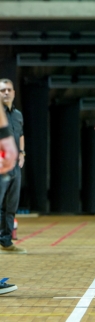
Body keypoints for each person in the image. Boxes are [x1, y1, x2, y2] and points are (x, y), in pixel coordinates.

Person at [0, 79, 26, 254]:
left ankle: (6, 240)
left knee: (11, 205)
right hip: (1, 165)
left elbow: (21, 134)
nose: (6, 93)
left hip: (14, 165)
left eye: (9, 89)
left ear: (14, 93)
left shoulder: (18, 115)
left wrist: (22, 153)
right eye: (2, 90)